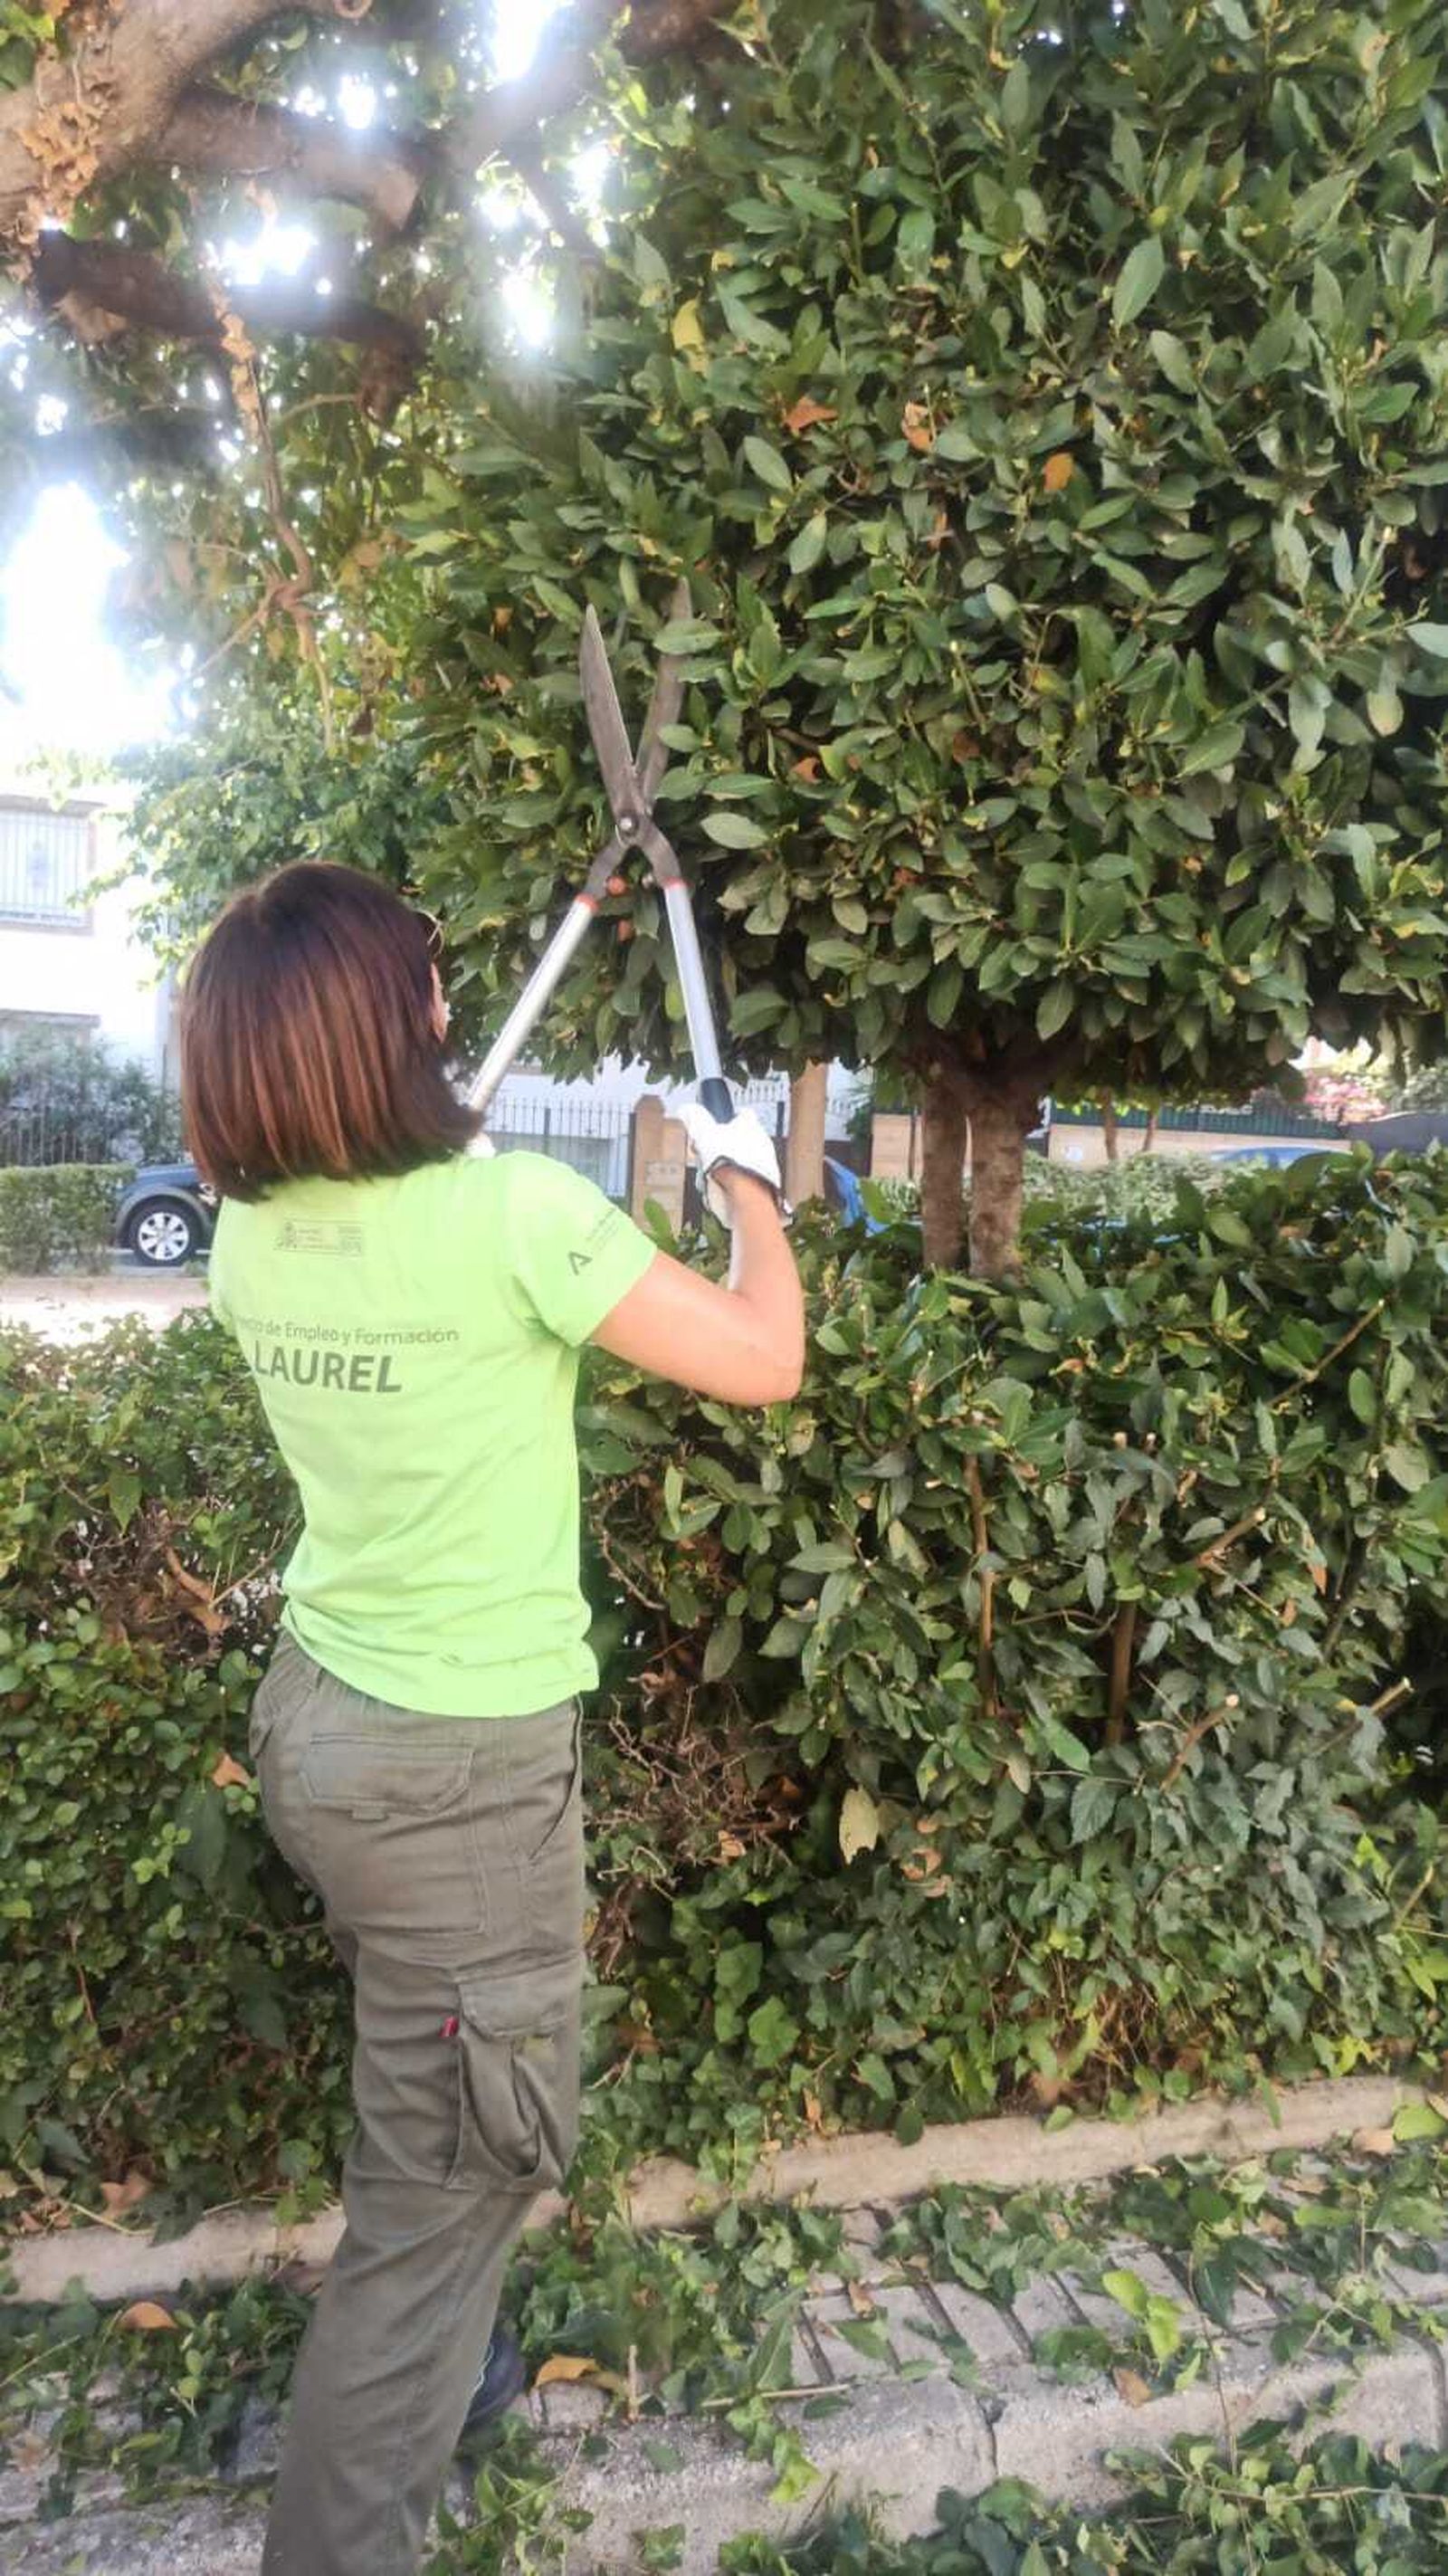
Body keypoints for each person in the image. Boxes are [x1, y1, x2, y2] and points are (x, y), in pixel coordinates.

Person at [181, 860, 804, 2576]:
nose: (454, 1004)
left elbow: (408, 1171)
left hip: (324, 1728)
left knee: (438, 2108)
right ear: (397, 1023)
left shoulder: (248, 1237)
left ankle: (445, 2375)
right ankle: (361, 2484)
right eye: (432, 983)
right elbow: (765, 1357)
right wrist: (746, 1177)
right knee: (446, 2190)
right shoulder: (520, 1217)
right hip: (458, 1781)